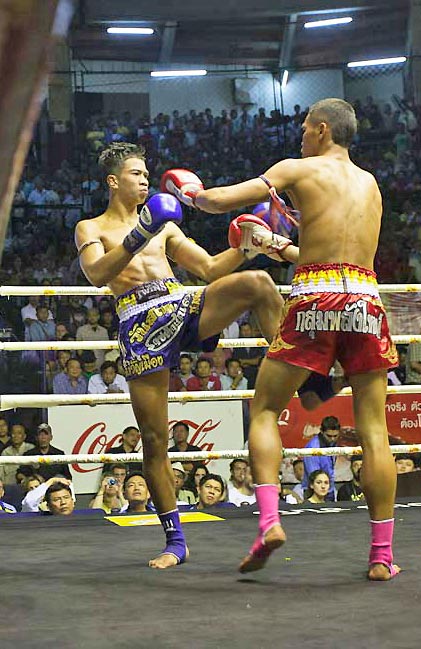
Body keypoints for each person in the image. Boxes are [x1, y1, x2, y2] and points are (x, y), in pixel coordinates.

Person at [166, 98, 399, 579]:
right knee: (374, 432)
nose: (298, 136)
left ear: (320, 129)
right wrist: (277, 245)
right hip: (366, 299)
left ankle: (269, 521)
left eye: (303, 128)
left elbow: (220, 200)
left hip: (314, 298)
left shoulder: (298, 167)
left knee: (267, 409)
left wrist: (189, 191)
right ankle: (381, 557)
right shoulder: (371, 185)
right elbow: (335, 249)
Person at [75, 142, 284, 569]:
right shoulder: (90, 227)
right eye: (136, 173)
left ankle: (302, 372)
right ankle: (175, 541)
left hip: (182, 304)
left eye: (146, 174)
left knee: (258, 282)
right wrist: (139, 235)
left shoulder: (164, 226)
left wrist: (248, 248)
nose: (146, 180)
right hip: (138, 323)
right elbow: (97, 274)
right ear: (114, 181)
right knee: (154, 439)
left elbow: (208, 269)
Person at [302, 416, 340, 501]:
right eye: (329, 436)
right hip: (314, 491)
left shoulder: (333, 443)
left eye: (335, 436)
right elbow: (315, 476)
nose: (332, 439)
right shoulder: (312, 448)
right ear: (321, 431)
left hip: (329, 489)